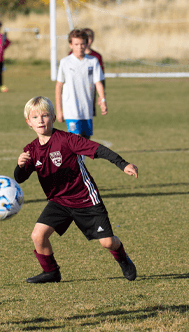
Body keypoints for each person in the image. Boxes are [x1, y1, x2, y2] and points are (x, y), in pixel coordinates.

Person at [14, 96, 138, 284]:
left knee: (107, 242)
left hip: (85, 199)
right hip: (59, 201)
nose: (40, 120)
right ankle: (51, 272)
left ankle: (123, 258)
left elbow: (98, 149)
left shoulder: (67, 140)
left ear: (53, 117)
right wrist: (20, 165)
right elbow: (20, 178)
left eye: (45, 115)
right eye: (35, 117)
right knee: (38, 235)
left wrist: (123, 164)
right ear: (28, 122)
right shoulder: (31, 150)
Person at [55, 29, 106, 140]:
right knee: (76, 140)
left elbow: (98, 83)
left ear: (87, 44)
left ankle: (76, 158)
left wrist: (102, 100)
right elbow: (59, 86)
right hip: (71, 110)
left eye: (82, 44)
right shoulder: (65, 62)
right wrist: (59, 110)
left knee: (86, 142)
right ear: (70, 45)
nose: (79, 47)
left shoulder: (93, 61)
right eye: (76, 44)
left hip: (87, 109)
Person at [82, 28, 105, 117]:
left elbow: (100, 78)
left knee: (88, 116)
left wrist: (102, 95)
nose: (88, 40)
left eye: (90, 38)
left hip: (91, 92)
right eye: (86, 38)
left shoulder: (96, 57)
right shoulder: (72, 55)